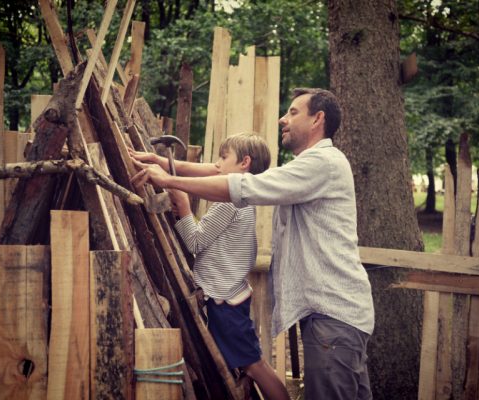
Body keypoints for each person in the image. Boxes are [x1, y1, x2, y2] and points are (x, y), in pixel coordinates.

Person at [130, 88, 375, 400]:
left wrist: (169, 181)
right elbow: (224, 172)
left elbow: (243, 183)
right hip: (336, 314)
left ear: (318, 119)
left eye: (293, 112)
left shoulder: (322, 164)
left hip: (334, 316)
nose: (282, 119)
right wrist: (166, 165)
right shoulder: (311, 165)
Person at [130, 133, 290, 400]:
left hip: (224, 301)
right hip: (229, 295)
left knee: (254, 365)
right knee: (250, 362)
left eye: (223, 157)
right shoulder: (243, 199)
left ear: (244, 163)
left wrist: (182, 206)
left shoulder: (229, 201)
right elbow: (210, 174)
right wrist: (161, 162)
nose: (217, 164)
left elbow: (195, 241)